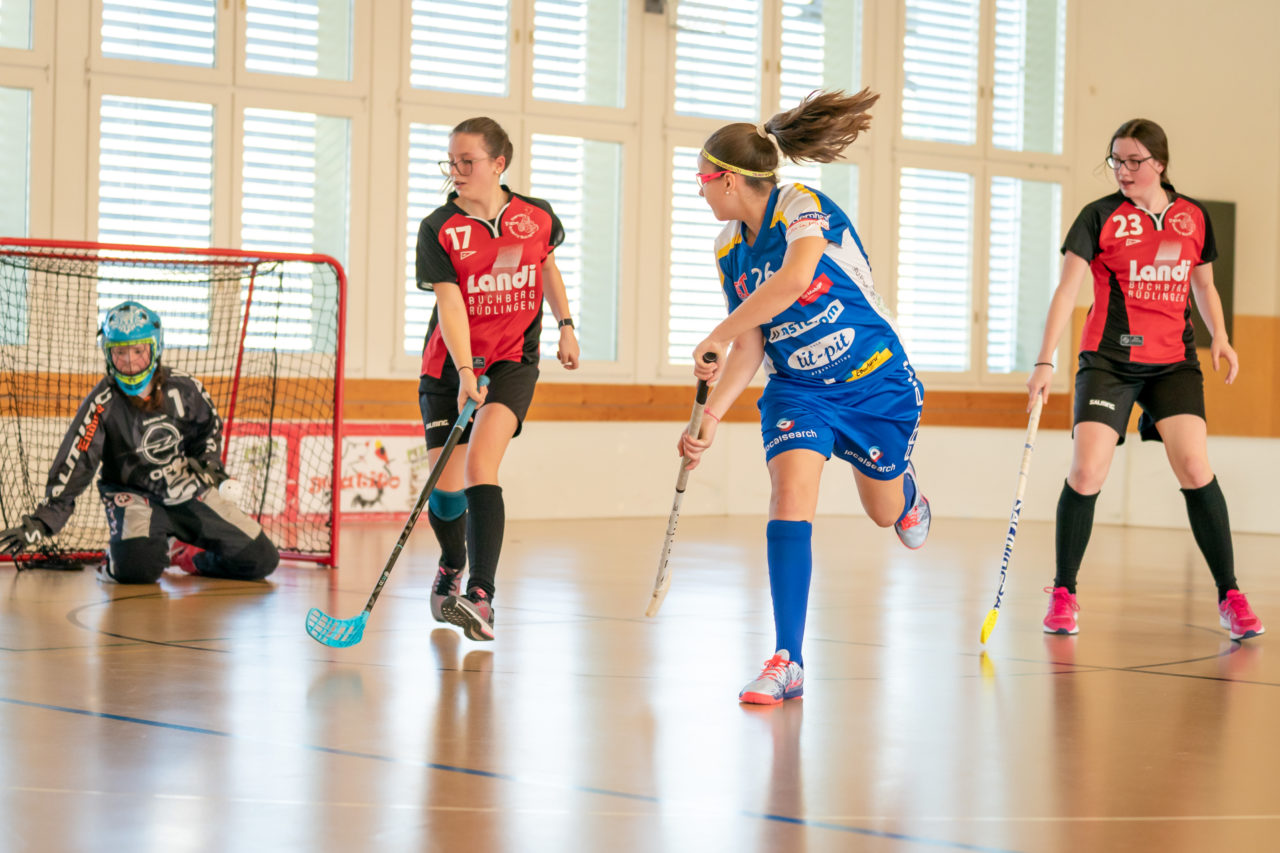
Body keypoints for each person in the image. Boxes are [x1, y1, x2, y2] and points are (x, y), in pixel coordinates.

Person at [677, 89, 931, 705]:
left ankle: (906, 494)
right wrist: (711, 415)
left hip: (873, 379)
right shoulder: (728, 249)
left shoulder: (803, 206)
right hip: (799, 390)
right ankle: (787, 658)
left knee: (880, 511)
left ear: (732, 180)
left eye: (703, 180)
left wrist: (717, 331)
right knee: (789, 494)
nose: (701, 191)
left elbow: (793, 281)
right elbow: (753, 342)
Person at [1027, 118, 1263, 640]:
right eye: (1115, 159)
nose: (1123, 170)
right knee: (1087, 471)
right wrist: (1045, 361)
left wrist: (1220, 336)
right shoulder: (1099, 217)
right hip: (1108, 362)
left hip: (1173, 361)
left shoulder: (1193, 217)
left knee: (1196, 465)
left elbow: (1203, 283)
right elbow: (1067, 292)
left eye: (1134, 160)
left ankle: (1231, 595)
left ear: (1160, 162)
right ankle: (1064, 592)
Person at [415, 116, 579, 641]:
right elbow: (450, 304)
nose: (456, 171)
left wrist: (566, 325)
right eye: (452, 162)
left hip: (513, 360)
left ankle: (481, 596)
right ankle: (451, 560)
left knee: (483, 462)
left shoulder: (536, 217)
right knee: (446, 490)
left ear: (498, 163)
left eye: (468, 162)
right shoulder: (439, 227)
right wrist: (464, 371)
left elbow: (545, 267)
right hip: (448, 367)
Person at [0, 301, 278, 583]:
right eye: (120, 352)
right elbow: (77, 461)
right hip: (134, 497)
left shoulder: (186, 388)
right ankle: (119, 560)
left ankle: (187, 557)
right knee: (138, 570)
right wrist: (44, 520)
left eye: (138, 351)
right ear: (108, 353)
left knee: (261, 559)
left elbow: (208, 432)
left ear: (154, 348)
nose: (130, 361)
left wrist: (208, 462)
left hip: (187, 491)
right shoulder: (101, 402)